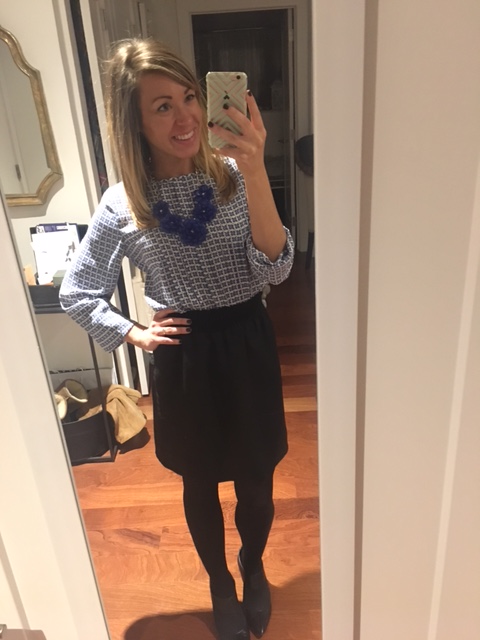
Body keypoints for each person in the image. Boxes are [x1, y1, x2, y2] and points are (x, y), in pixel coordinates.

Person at [60, 38, 294, 640]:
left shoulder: (236, 176)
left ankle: (253, 567)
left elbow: (276, 267)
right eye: (162, 106)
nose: (185, 116)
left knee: (257, 481)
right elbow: (77, 291)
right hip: (184, 355)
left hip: (247, 340)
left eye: (190, 97)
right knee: (199, 480)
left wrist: (256, 169)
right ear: (134, 122)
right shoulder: (122, 205)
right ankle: (219, 582)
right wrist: (133, 331)